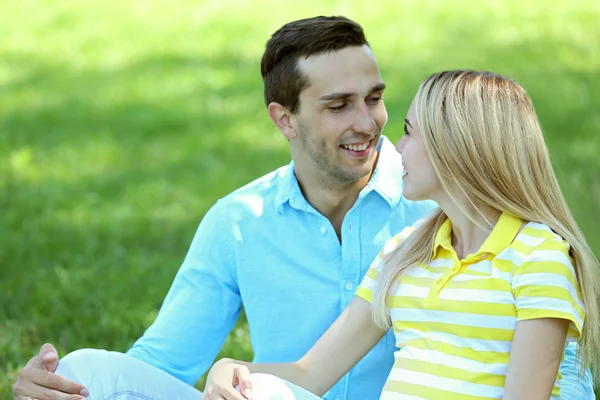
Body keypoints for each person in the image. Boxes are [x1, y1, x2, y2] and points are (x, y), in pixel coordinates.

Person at [12, 18, 594, 400]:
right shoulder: (244, 223)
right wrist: (60, 387)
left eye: (375, 100)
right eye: (339, 105)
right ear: (284, 119)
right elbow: (163, 365)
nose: (370, 126)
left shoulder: (444, 219)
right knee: (89, 370)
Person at [202, 70, 600, 400]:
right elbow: (310, 375)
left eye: (410, 133)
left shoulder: (539, 257)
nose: (395, 146)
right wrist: (233, 369)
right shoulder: (405, 252)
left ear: (456, 148)